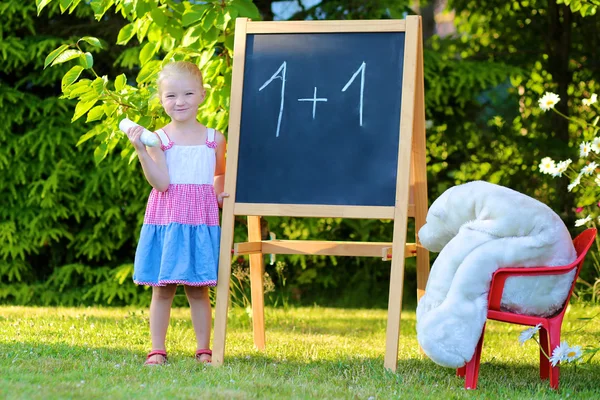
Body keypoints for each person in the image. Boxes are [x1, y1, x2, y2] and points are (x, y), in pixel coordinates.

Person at [126, 61, 228, 366]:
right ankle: (157, 349)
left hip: (200, 220)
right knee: (163, 288)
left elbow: (220, 174)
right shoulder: (159, 140)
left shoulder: (215, 139)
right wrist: (142, 151)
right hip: (168, 219)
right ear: (161, 100)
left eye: (187, 94)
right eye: (171, 96)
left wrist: (220, 194)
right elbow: (162, 183)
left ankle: (204, 350)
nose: (179, 101)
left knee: (198, 290)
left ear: (202, 96)